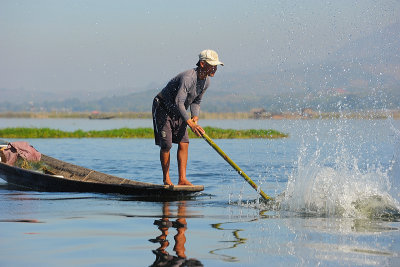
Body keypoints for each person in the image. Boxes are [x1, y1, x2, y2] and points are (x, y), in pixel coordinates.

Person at [152, 49, 224, 186]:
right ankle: (166, 179)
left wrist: (195, 117)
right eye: (212, 65)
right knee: (166, 145)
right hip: (163, 108)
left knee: (184, 143)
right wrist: (190, 123)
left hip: (179, 111)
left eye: (216, 65)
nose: (215, 68)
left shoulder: (206, 82)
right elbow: (178, 102)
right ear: (202, 64)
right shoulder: (188, 78)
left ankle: (182, 179)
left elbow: (196, 101)